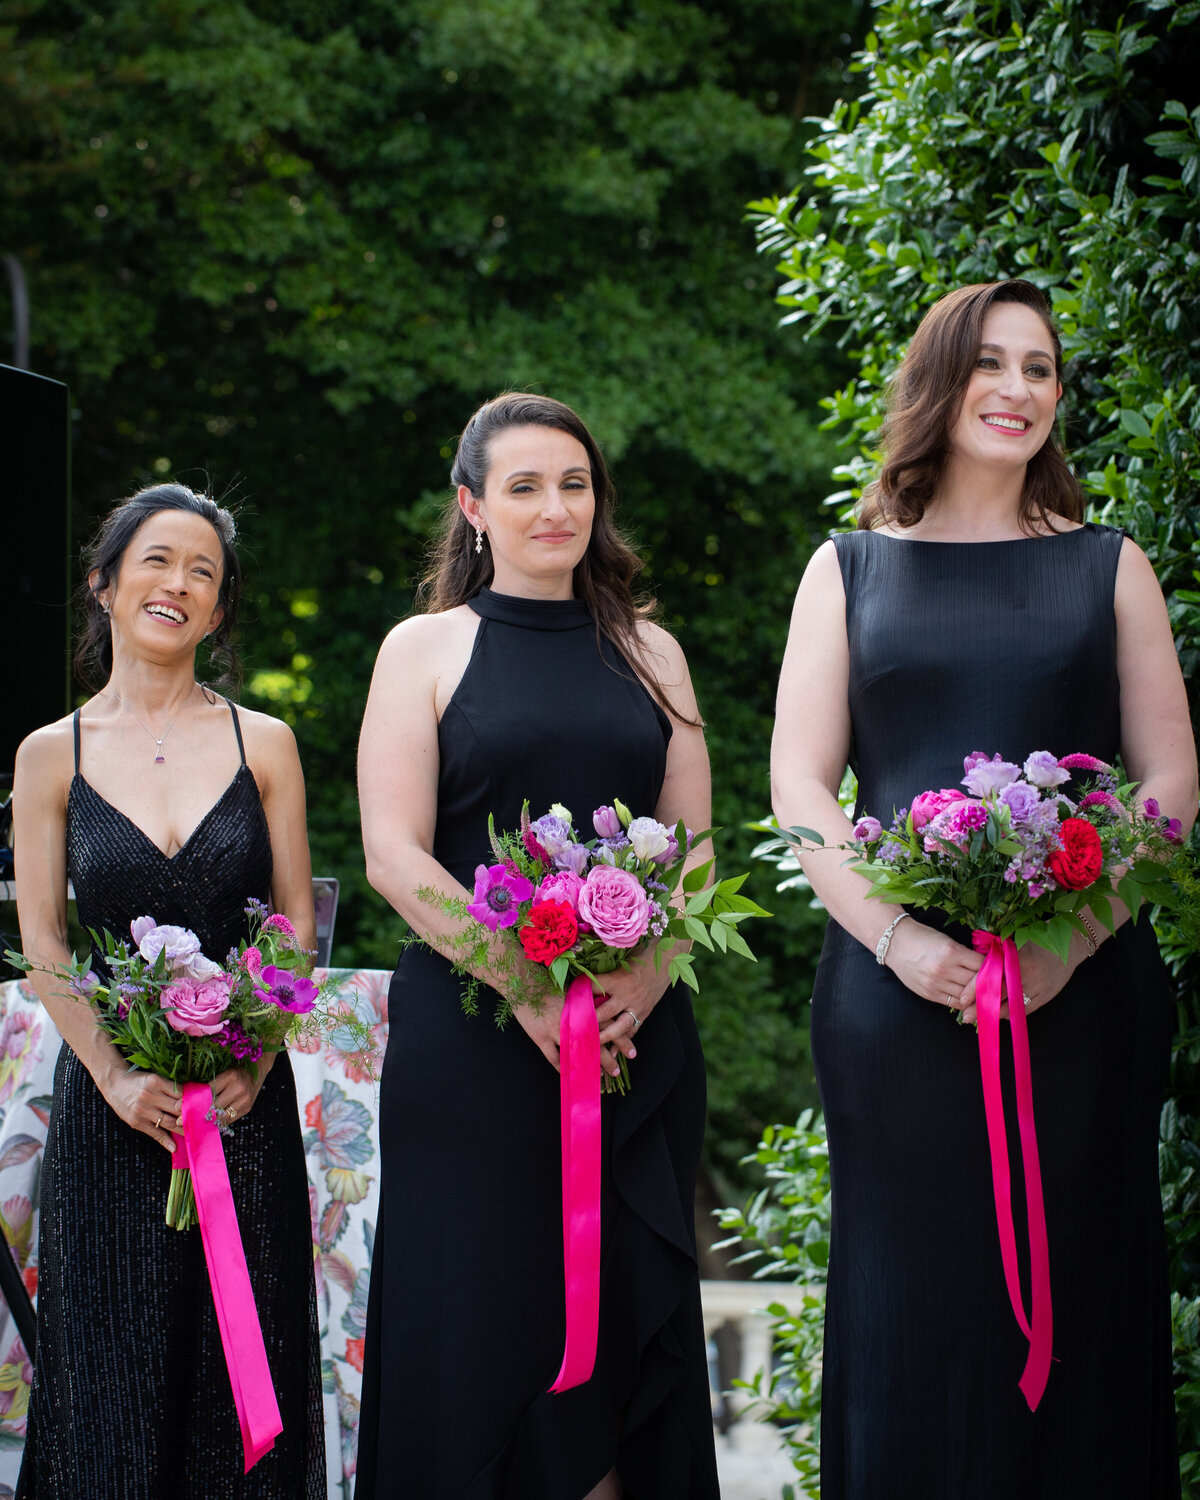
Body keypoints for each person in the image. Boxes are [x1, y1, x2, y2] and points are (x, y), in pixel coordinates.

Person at [772, 280, 1197, 1499]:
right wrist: (901, 945)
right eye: (991, 364)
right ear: (940, 382)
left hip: (1084, 998)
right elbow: (802, 786)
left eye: (1041, 369)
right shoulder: (848, 567)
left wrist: (1071, 939)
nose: (1017, 389)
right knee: (912, 1312)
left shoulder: (1109, 567)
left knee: (1085, 1306)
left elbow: (1167, 780)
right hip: (897, 1011)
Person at [355, 393, 718, 1499]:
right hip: (471, 1051)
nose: (554, 506)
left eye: (573, 483)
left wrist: (643, 982)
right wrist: (521, 983)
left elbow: (695, 846)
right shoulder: (422, 648)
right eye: (523, 486)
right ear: (472, 508)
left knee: (615, 1351)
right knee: (474, 1337)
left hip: (628, 1047)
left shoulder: (651, 648)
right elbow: (393, 852)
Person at [13, 484, 325, 1498]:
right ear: (104, 584)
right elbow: (45, 941)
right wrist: (107, 1074)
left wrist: (257, 1055)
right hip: (115, 1118)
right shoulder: (48, 755)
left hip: (241, 1111)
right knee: (111, 1377)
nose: (178, 584)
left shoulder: (263, 744)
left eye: (203, 571)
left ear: (219, 609)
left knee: (237, 1380)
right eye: (156, 560)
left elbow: (293, 928)